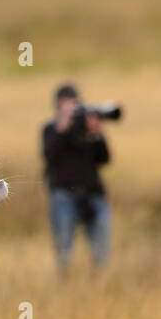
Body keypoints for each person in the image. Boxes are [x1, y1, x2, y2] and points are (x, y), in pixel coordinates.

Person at [41, 83, 111, 271]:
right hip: (63, 197)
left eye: (76, 102)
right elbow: (49, 155)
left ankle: (101, 288)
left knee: (101, 253)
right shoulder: (50, 129)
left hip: (93, 195)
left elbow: (104, 159)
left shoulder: (87, 130)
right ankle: (64, 290)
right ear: (58, 105)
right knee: (63, 253)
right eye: (68, 103)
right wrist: (62, 129)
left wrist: (98, 133)